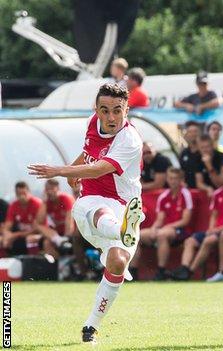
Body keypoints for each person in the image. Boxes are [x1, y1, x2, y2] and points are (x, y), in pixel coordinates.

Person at [27, 83, 144, 343]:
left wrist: (60, 171)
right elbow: (90, 153)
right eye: (104, 110)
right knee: (100, 212)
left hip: (126, 205)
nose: (111, 117)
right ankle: (121, 230)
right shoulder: (94, 122)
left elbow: (99, 168)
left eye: (117, 111)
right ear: (96, 110)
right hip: (92, 201)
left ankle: (90, 327)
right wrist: (73, 166)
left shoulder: (130, 139)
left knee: (117, 261)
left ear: (127, 109)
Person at [171, 163, 223, 281]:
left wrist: (216, 230)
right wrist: (211, 229)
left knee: (210, 239)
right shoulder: (217, 194)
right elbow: (214, 215)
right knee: (190, 241)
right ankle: (184, 268)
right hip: (215, 230)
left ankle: (190, 272)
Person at [139, 168, 192, 280]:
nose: (173, 181)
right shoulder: (164, 196)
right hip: (165, 229)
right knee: (137, 235)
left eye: (176, 179)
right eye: (171, 178)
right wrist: (153, 228)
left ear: (181, 180)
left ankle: (161, 271)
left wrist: (168, 226)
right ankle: (132, 271)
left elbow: (185, 220)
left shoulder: (185, 194)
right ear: (167, 179)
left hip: (181, 230)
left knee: (162, 235)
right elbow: (160, 219)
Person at [1, 182, 48, 256]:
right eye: (19, 194)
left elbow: (37, 229)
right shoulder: (13, 206)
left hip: (39, 234)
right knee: (3, 240)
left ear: (29, 192)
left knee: (30, 239)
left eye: (24, 193)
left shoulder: (37, 204)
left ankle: (34, 261)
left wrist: (15, 235)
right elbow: (7, 226)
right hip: (21, 235)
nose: (22, 196)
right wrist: (7, 235)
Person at [39, 179, 75, 253]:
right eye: (47, 189)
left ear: (58, 189)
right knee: (46, 243)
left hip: (71, 232)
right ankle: (56, 263)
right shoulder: (47, 202)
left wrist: (67, 237)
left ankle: (63, 242)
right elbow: (39, 222)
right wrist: (44, 202)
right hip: (57, 234)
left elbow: (69, 220)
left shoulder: (66, 198)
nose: (50, 192)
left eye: (52, 189)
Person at [179, 121, 202, 188]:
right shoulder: (184, 153)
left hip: (204, 192)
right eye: (190, 132)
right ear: (186, 134)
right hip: (188, 191)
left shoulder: (205, 151)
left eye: (195, 131)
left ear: (199, 133)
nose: (193, 134)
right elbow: (181, 171)